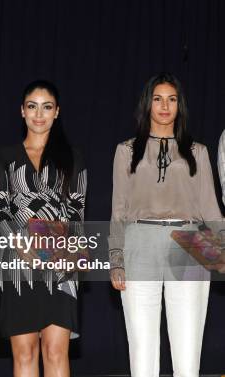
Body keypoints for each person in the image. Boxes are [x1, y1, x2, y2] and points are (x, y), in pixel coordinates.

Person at [108, 73, 222, 376]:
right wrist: (116, 258)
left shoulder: (198, 151)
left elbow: (211, 208)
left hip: (189, 241)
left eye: (172, 99)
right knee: (142, 350)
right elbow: (118, 209)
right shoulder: (126, 151)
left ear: (179, 106)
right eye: (158, 99)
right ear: (148, 104)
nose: (164, 106)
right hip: (139, 241)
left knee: (187, 351)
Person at [0, 80, 87, 377]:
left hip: (61, 263)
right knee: (25, 353)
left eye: (47, 107)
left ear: (57, 112)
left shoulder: (73, 157)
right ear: (22, 111)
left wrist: (71, 253)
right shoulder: (3, 157)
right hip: (17, 263)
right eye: (32, 106)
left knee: (56, 352)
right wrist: (23, 246)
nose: (39, 114)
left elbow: (77, 209)